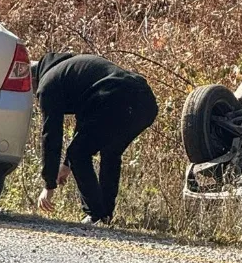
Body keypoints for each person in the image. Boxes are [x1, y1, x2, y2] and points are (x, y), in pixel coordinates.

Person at [32, 53, 158, 224]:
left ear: (34, 79)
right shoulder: (71, 70)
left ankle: (96, 214)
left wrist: (49, 184)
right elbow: (86, 122)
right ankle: (104, 215)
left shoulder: (47, 84)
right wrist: (66, 165)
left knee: (79, 153)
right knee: (111, 151)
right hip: (145, 102)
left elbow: (51, 134)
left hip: (116, 96)